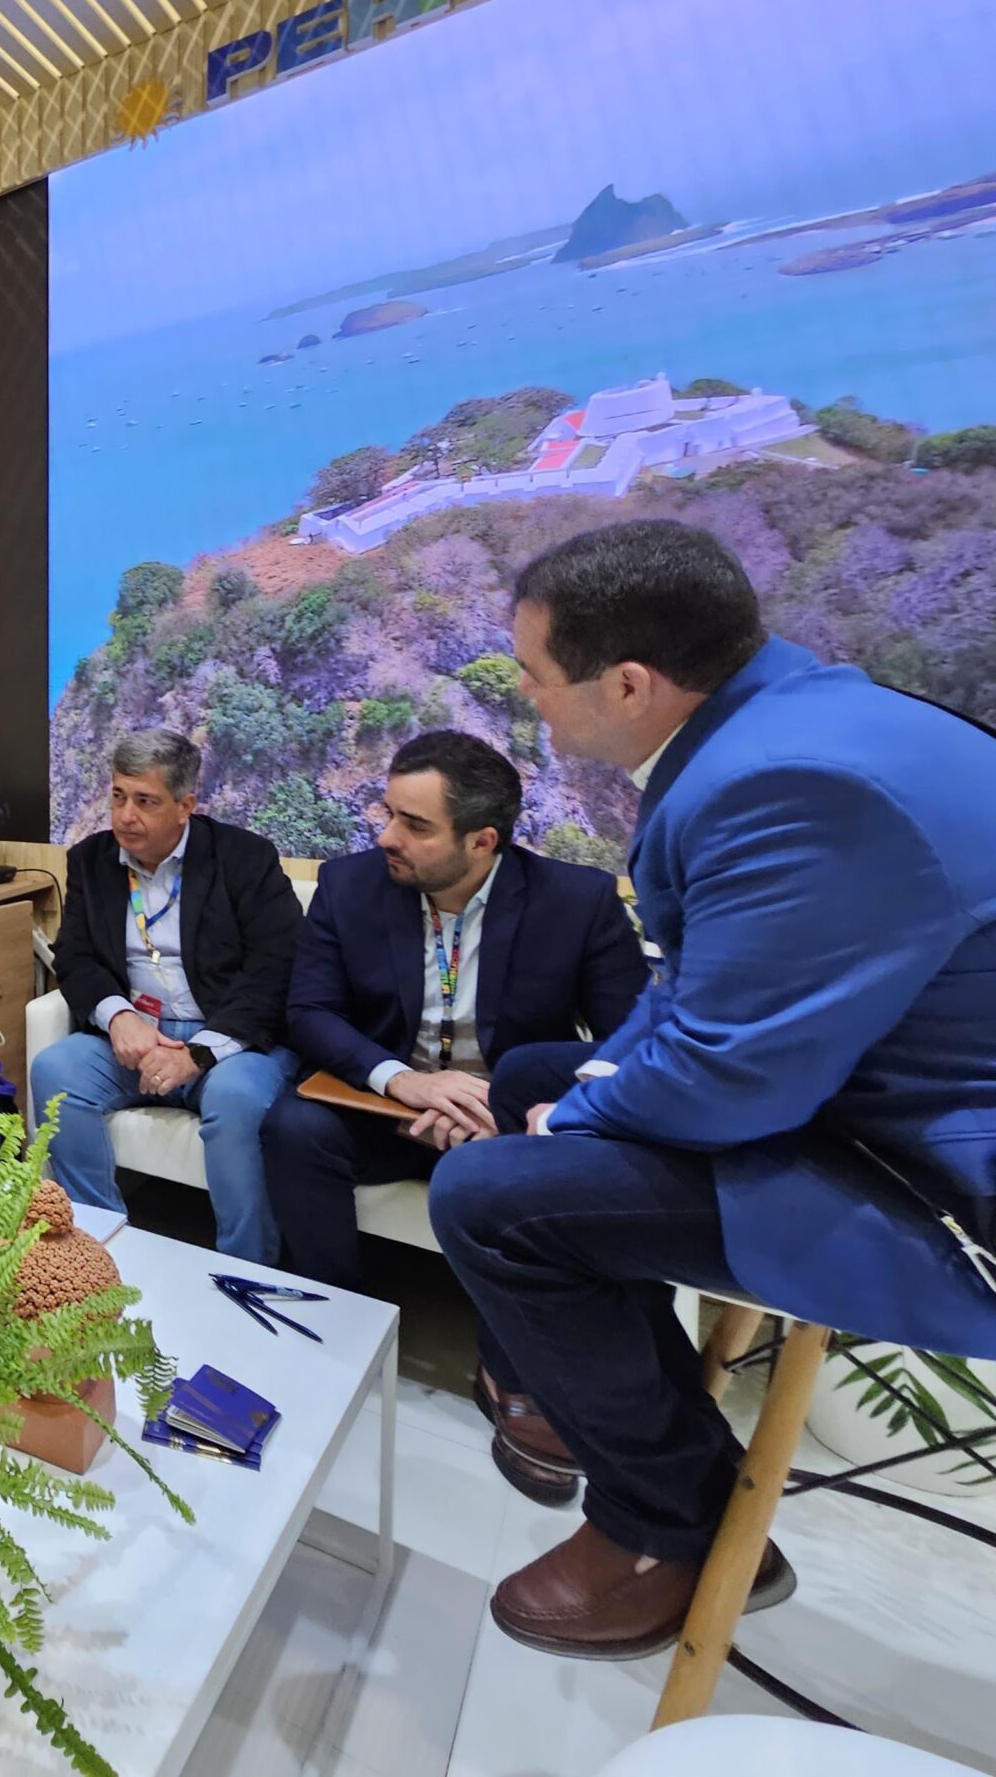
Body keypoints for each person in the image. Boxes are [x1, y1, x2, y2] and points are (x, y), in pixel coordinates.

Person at [431, 519, 996, 1658]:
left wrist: (578, 1115)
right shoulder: (787, 720)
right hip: (853, 1096)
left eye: (536, 676)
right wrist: (582, 1091)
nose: (527, 700)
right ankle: (577, 1398)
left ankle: (664, 1523)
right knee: (538, 1071)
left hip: (937, 1184)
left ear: (628, 684)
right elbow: (694, 986)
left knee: (490, 1199)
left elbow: (733, 1074)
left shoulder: (792, 785)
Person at [262, 729, 647, 1503]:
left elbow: (629, 1045)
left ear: (482, 840)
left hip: (498, 1118)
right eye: (387, 814)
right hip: (387, 1104)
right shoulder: (350, 885)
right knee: (291, 1129)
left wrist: (516, 1109)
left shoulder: (577, 903)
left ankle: (510, 1372)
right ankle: (338, 1321)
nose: (386, 837)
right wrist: (403, 1080)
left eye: (414, 825)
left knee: (526, 1176)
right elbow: (309, 1011)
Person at [28, 728, 301, 1257]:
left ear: (185, 806)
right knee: (55, 1070)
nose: (125, 816)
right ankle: (99, 1248)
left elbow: (278, 968)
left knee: (236, 1099)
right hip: (137, 1038)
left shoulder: (244, 858)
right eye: (118, 796)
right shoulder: (91, 860)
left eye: (145, 801)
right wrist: (118, 1017)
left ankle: (249, 1268)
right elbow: (75, 956)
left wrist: (198, 1053)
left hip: (229, 1043)